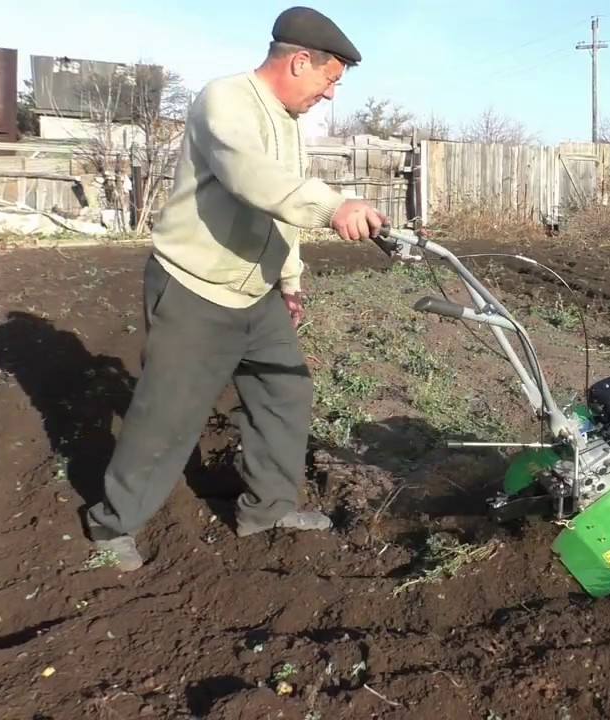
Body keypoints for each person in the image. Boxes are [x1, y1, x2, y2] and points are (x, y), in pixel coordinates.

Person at [82, 7, 385, 571]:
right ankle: (112, 524)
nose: (329, 93)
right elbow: (252, 178)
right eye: (330, 79)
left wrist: (289, 282)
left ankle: (266, 510)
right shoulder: (225, 100)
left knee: (285, 395)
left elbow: (281, 214)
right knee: (167, 416)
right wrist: (333, 205)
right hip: (197, 289)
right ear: (301, 61)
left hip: (259, 294)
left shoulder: (289, 123)